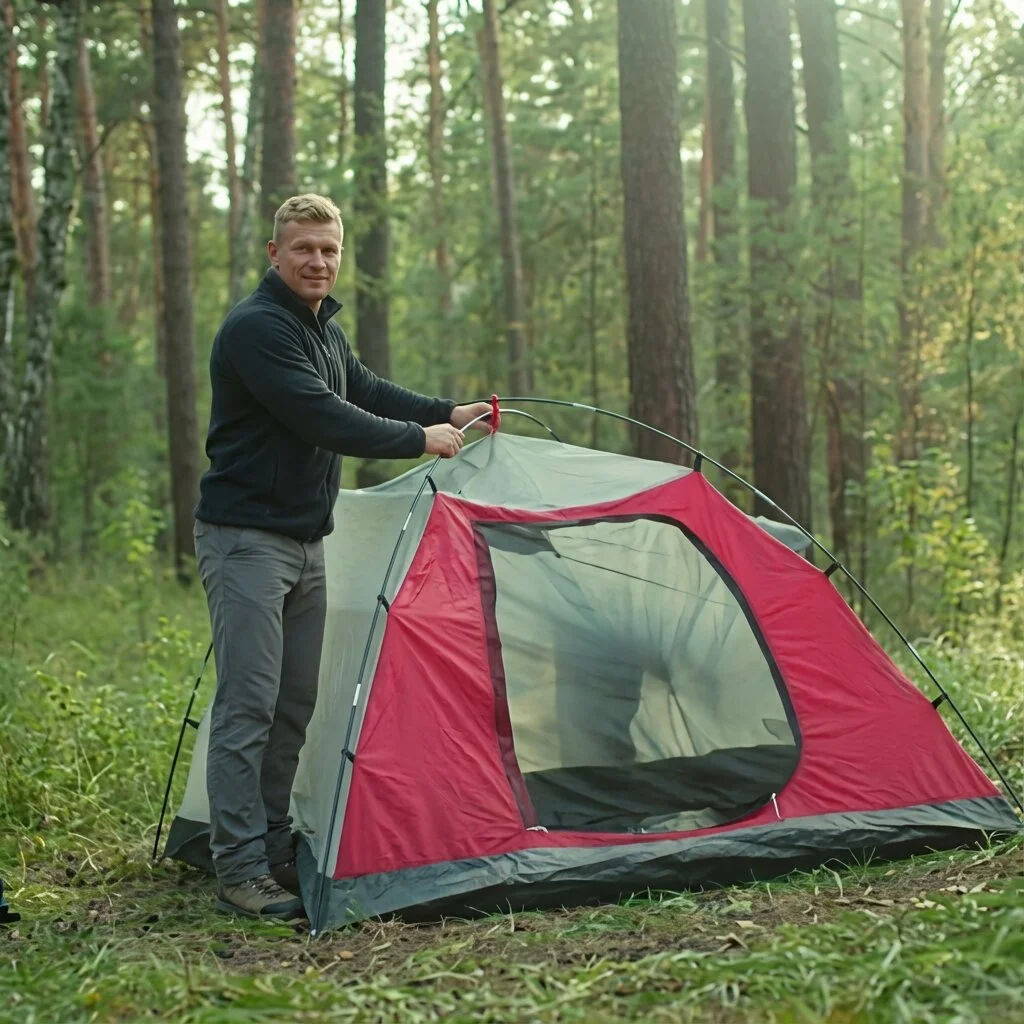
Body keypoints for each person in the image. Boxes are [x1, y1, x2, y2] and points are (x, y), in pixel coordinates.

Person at [192, 193, 491, 920]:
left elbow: (362, 387)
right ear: (275, 253)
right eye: (303, 248)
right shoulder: (258, 329)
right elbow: (322, 415)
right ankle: (238, 869)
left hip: (305, 539)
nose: (317, 261)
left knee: (293, 703)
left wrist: (445, 412)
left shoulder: (321, 327)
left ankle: (270, 847)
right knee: (249, 704)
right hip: (246, 540)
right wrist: (419, 440)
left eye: (328, 249)